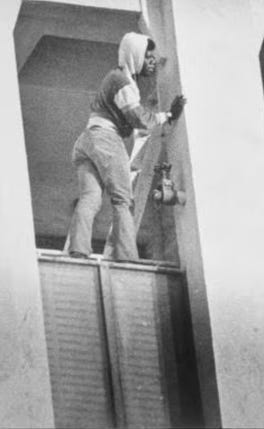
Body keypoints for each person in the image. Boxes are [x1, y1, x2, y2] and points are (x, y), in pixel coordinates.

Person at [67, 32, 186, 261]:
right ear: (136, 56)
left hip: (87, 140)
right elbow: (138, 118)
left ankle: (78, 251)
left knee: (90, 198)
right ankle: (127, 257)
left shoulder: (116, 77)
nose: (152, 62)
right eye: (148, 57)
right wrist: (168, 115)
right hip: (106, 139)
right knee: (123, 200)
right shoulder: (121, 81)